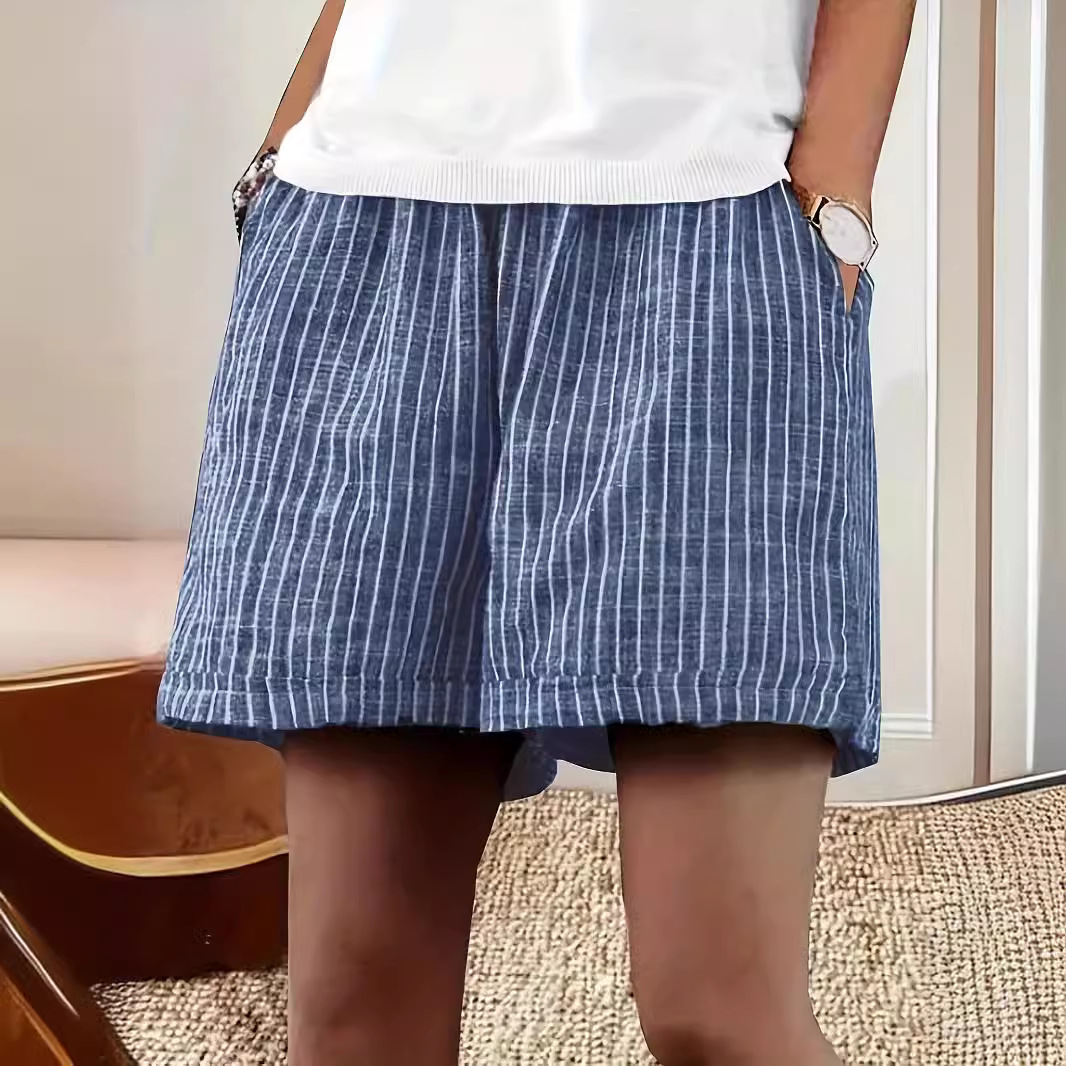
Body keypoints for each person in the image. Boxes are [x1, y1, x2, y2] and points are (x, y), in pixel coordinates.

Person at [159, 1, 916, 1062]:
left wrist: (834, 176)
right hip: (365, 219)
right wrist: (282, 154)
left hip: (708, 217)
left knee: (718, 1006)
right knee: (354, 1009)